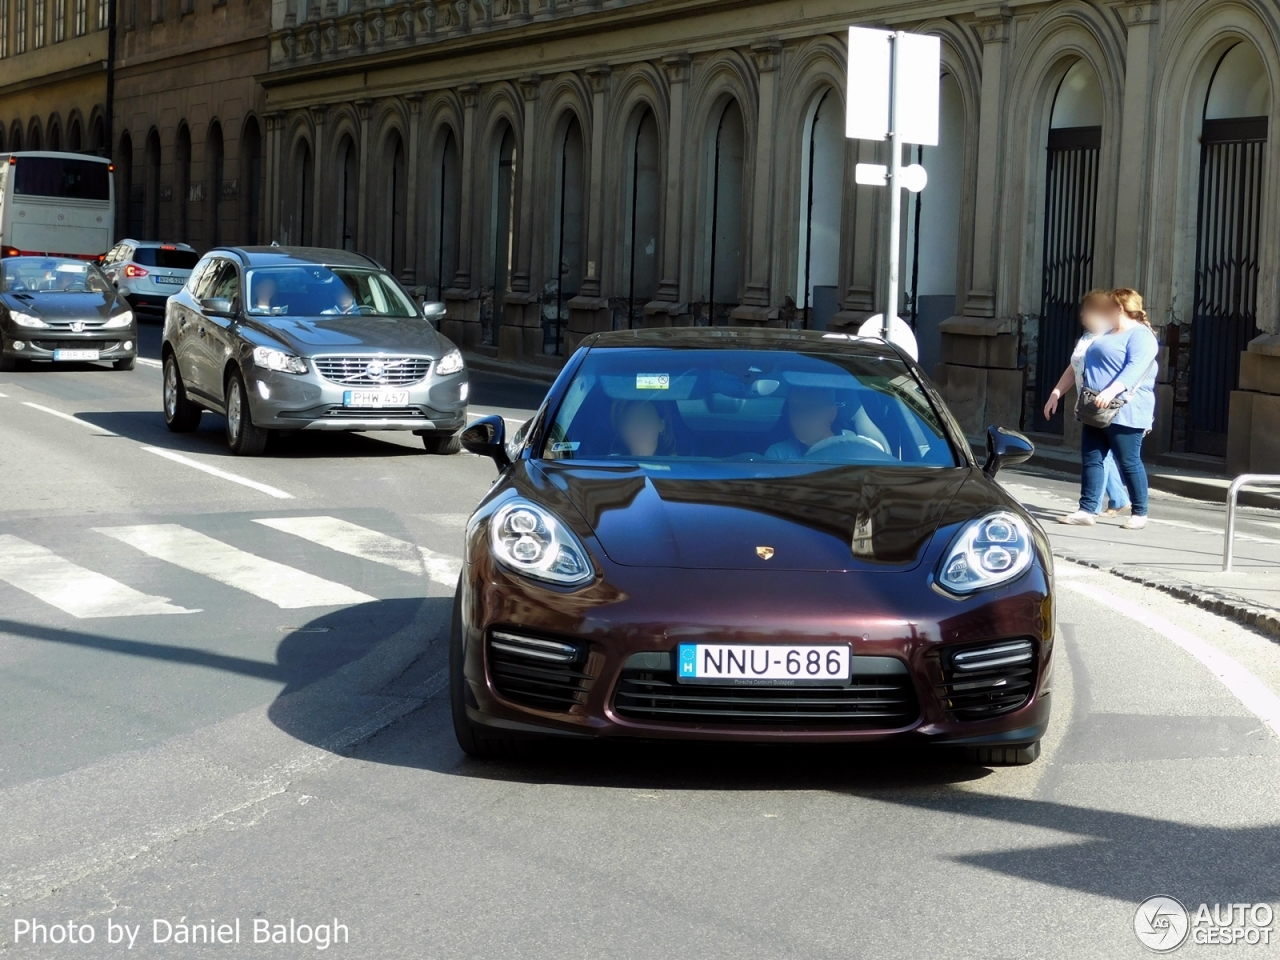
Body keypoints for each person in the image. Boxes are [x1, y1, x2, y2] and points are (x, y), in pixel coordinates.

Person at [1057, 288, 1159, 530]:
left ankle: (1139, 512)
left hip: (1125, 409)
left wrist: (1110, 391)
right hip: (1094, 407)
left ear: (1119, 309)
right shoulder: (1108, 333)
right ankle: (1086, 509)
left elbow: (1135, 368)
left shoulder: (1141, 336)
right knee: (1092, 459)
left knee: (1128, 460)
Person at [1042, 290, 1131, 518]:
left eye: (1088, 310)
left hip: (1108, 405)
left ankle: (1089, 507)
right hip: (1088, 403)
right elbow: (1073, 368)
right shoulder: (1086, 338)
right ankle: (1119, 499)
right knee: (1102, 454)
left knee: (1099, 455)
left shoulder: (1112, 338)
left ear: (1103, 313)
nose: (1082, 314)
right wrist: (1056, 393)